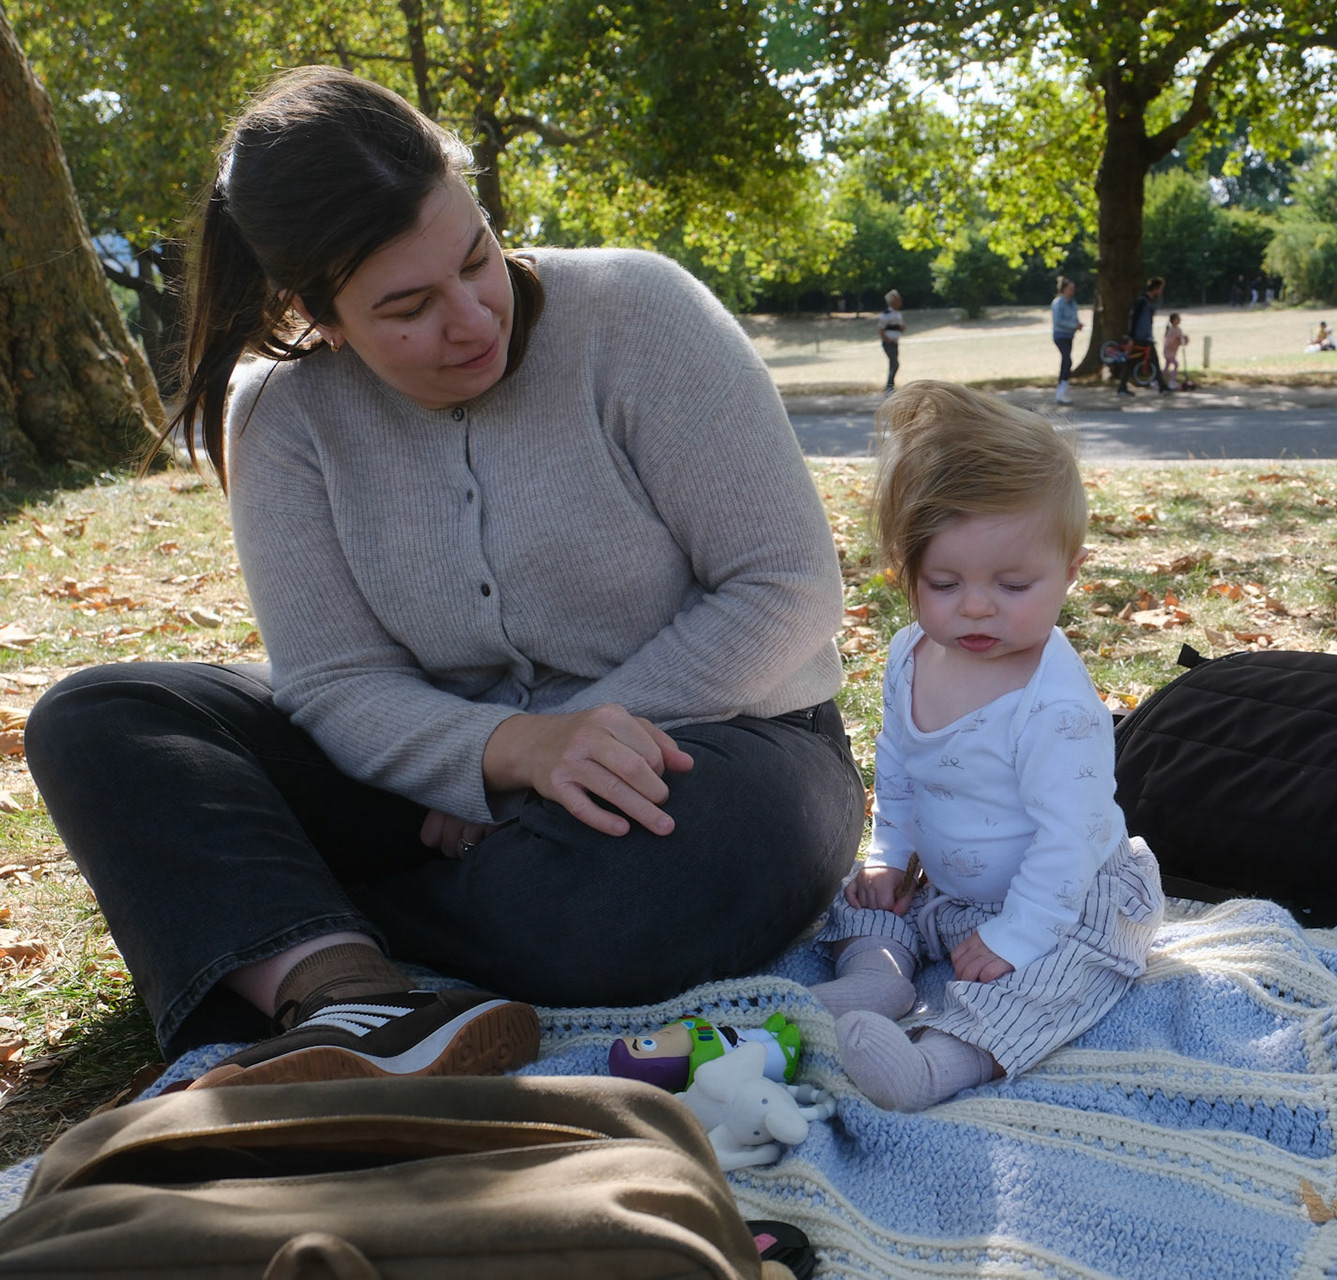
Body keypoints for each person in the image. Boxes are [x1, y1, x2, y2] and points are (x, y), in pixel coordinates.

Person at [23, 68, 864, 1088]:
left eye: (476, 258)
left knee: (612, 899)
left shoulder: (638, 313)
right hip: (431, 789)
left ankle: (280, 918)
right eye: (409, 306)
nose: (471, 319)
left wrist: (551, 747)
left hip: (723, 744)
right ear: (317, 311)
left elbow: (786, 586)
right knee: (98, 717)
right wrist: (502, 754)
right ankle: (347, 989)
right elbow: (335, 681)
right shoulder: (284, 416)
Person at [807, 381, 1164, 1111]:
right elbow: (900, 767)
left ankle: (941, 1062)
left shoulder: (1053, 707)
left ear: (1070, 570)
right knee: (863, 895)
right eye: (944, 583)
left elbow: (1068, 842)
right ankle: (877, 975)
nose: (975, 607)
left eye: (1013, 584)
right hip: (954, 889)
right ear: (907, 571)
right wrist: (889, 855)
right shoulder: (910, 656)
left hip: (1069, 896)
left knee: (1063, 977)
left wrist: (1018, 937)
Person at [1119, 277, 1169, 396]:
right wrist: (1131, 337)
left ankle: (1162, 387)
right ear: (1155, 288)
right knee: (1132, 361)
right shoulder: (1142, 301)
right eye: (1160, 289)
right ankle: (1122, 388)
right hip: (1139, 337)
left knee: (1152, 360)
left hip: (1146, 336)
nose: (1161, 291)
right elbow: (1134, 319)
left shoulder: (1149, 301)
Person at [1050, 277, 1083, 405]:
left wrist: (1078, 324)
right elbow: (1058, 321)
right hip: (1060, 336)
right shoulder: (1058, 303)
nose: (1072, 291)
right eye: (1070, 289)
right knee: (1067, 360)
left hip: (1069, 336)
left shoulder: (1073, 303)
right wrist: (1073, 326)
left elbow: (1075, 317)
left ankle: (1061, 391)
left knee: (1066, 362)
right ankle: (1061, 392)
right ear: (1064, 289)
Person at [878, 289, 905, 394]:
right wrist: (887, 339)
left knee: (894, 364)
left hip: (894, 342)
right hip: (889, 343)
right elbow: (881, 328)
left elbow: (899, 327)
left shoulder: (897, 314)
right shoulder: (887, 313)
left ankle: (890, 386)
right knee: (894, 363)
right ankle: (889, 387)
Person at [1162, 312, 1187, 387]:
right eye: (1177, 319)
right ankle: (1172, 380)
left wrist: (1183, 340)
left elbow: (1181, 339)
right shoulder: (1171, 330)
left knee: (1167, 366)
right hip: (1168, 352)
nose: (1179, 320)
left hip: (1172, 351)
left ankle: (1161, 378)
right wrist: (1176, 340)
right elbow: (1169, 341)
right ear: (1173, 320)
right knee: (1176, 364)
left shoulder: (1178, 330)